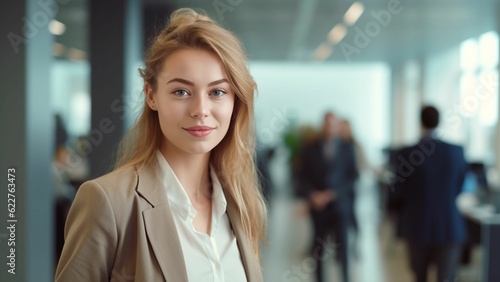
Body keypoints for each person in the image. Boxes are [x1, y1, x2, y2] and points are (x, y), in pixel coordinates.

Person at [55, 8, 267, 282]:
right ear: (151, 95)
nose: (201, 109)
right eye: (181, 91)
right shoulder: (108, 202)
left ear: (235, 99)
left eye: (217, 92)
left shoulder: (242, 203)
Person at [393, 105, 468, 282]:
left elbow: (398, 191)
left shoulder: (408, 153)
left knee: (420, 276)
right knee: (446, 278)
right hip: (449, 225)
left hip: (417, 225)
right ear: (439, 121)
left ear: (420, 122)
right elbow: (459, 187)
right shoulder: (456, 151)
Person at [299, 112, 358, 282]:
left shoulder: (347, 148)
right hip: (319, 208)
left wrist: (334, 193)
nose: (329, 128)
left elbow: (353, 177)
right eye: (327, 124)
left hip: (340, 206)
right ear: (323, 126)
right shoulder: (310, 149)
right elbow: (301, 178)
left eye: (333, 124)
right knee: (318, 250)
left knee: (343, 249)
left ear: (338, 126)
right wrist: (312, 195)